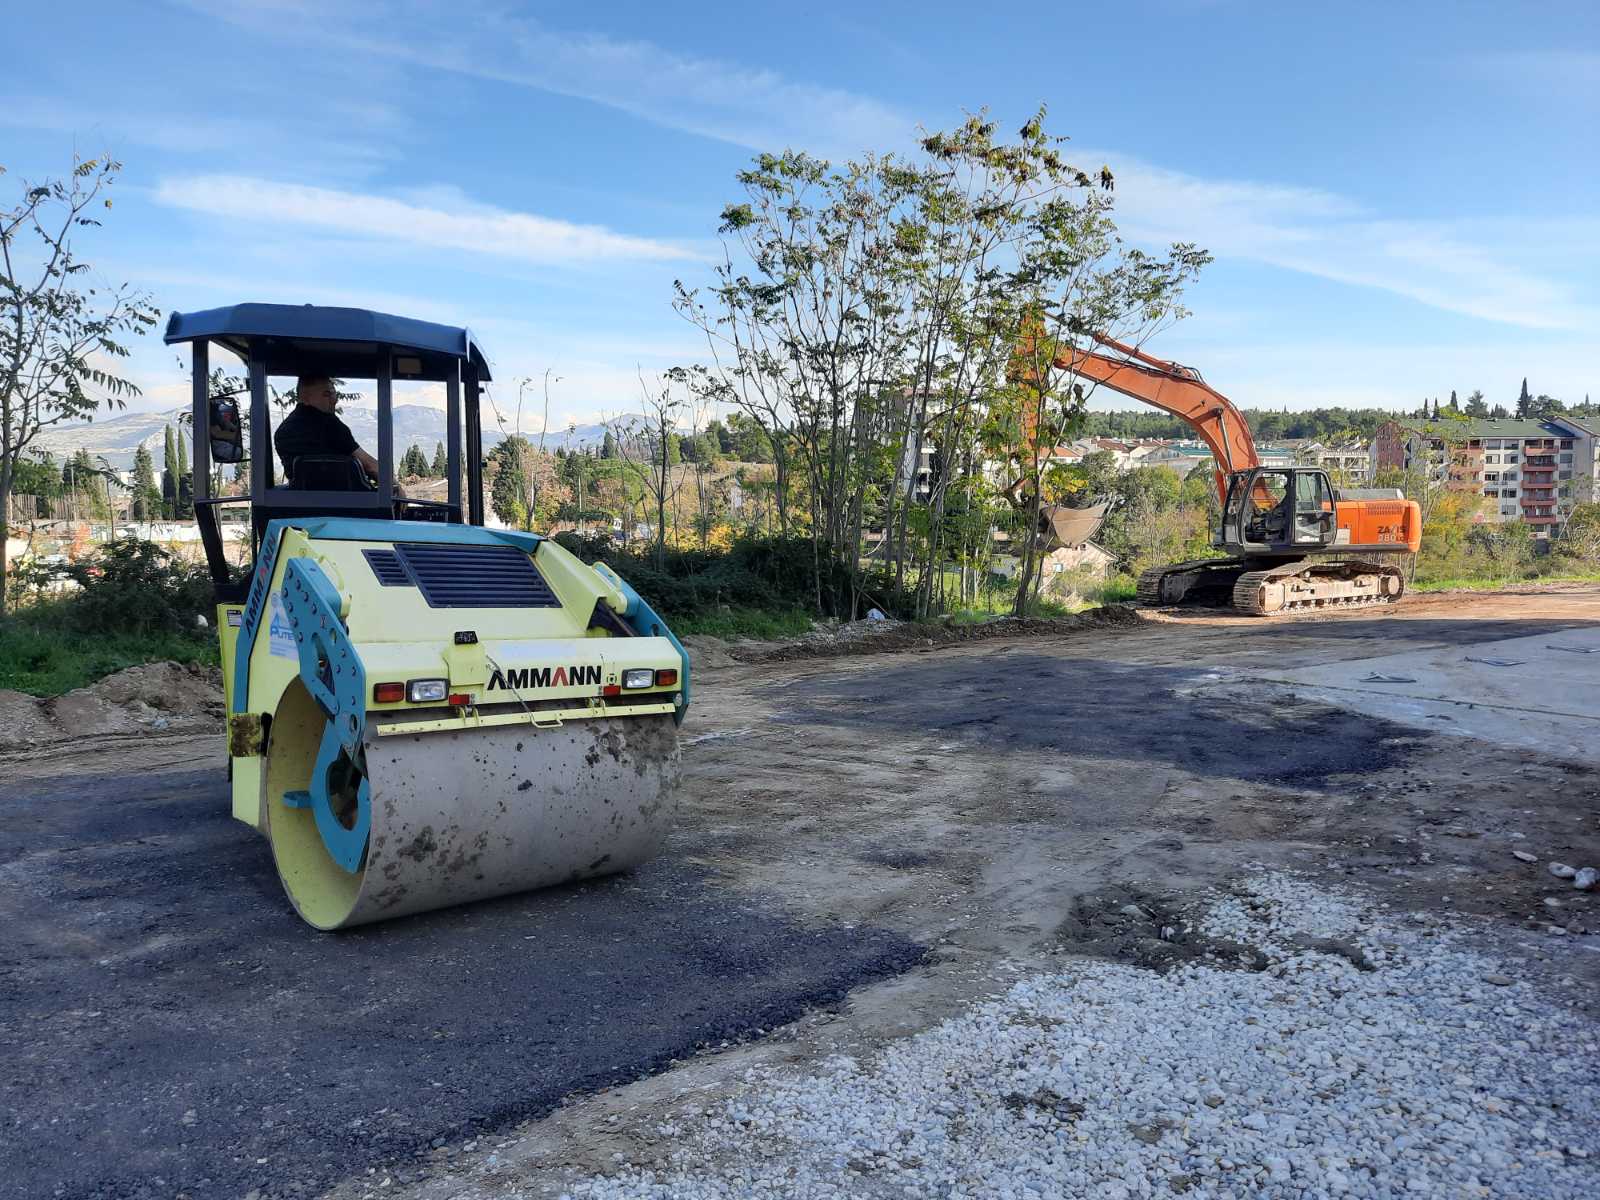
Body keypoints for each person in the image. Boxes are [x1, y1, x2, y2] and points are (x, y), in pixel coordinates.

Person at [273, 376, 380, 486]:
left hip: (297, 501)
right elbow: (370, 466)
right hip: (346, 500)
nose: (334, 400)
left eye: (333, 393)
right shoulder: (330, 426)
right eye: (326, 394)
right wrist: (395, 487)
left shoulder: (282, 433)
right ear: (305, 398)